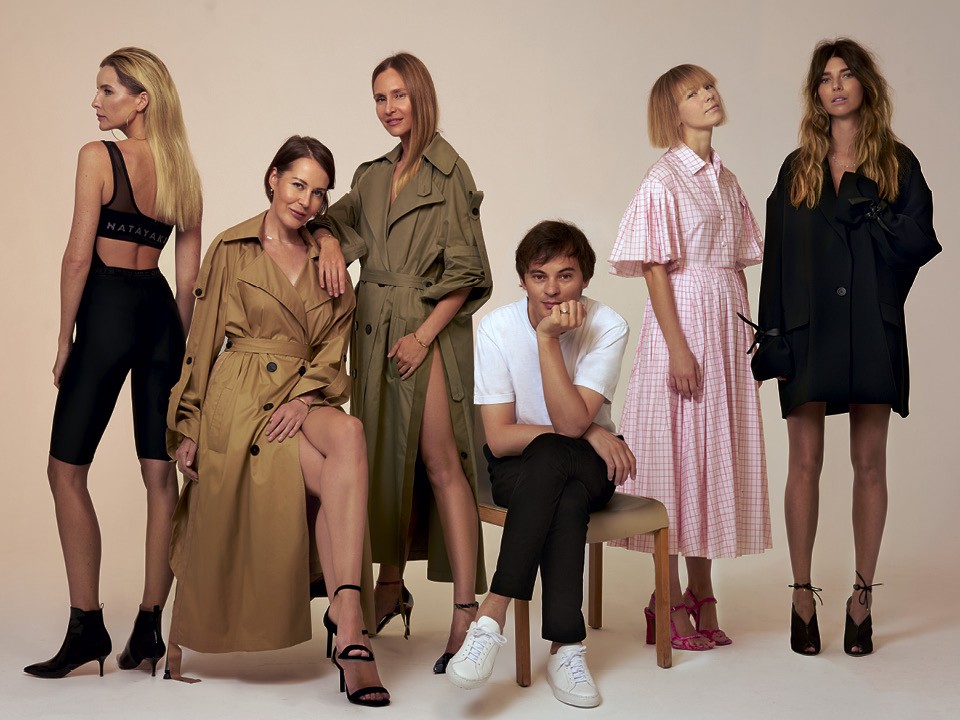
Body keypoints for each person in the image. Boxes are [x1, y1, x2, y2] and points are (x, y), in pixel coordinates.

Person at [165, 136, 388, 706]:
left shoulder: (327, 260)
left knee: (350, 432)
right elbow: (202, 339)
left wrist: (303, 398)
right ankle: (351, 632)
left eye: (319, 193)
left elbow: (334, 344)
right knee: (333, 471)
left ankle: (346, 613)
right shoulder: (231, 247)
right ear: (273, 178)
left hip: (303, 391)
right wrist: (188, 421)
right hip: (241, 399)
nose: (306, 202)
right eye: (297, 185)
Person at [757, 39, 940, 656]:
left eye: (846, 75)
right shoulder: (797, 168)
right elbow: (778, 257)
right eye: (825, 78)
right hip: (807, 330)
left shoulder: (897, 163)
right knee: (804, 462)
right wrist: (773, 335)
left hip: (869, 328)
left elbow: (919, 242)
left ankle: (862, 598)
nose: (836, 86)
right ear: (816, 93)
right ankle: (801, 595)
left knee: (869, 462)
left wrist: (876, 213)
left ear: (866, 85)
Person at [25, 47, 202, 679]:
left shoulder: (98, 157)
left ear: (141, 98)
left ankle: (86, 629)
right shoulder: (183, 171)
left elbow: (78, 255)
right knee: (161, 477)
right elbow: (189, 282)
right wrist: (177, 356)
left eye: (107, 90)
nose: (96, 102)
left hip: (104, 313)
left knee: (65, 470)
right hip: (159, 317)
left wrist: (66, 339)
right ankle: (150, 629)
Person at [312, 52, 492, 671]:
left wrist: (423, 336)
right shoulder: (371, 175)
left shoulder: (449, 171)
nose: (389, 108)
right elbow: (324, 221)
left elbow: (467, 272)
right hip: (372, 330)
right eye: (379, 98)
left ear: (421, 96)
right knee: (385, 459)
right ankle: (389, 586)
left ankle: (466, 611)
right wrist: (329, 239)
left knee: (441, 463)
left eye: (398, 96)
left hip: (424, 327)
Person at [608, 64, 771, 652]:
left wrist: (749, 331)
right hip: (682, 323)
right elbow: (655, 268)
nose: (709, 96)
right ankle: (667, 596)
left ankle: (704, 591)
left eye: (710, 87)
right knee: (678, 457)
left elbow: (737, 263)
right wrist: (678, 347)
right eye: (694, 93)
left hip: (724, 326)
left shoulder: (726, 180)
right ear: (672, 112)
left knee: (711, 453)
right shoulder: (664, 178)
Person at [446, 221, 633, 708]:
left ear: (585, 279)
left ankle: (491, 615)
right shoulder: (497, 328)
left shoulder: (608, 325)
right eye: (539, 276)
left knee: (556, 459)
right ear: (522, 280)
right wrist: (590, 430)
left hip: (594, 466)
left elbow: (569, 422)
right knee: (560, 487)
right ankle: (567, 648)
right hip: (520, 464)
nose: (552, 290)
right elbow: (500, 437)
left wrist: (548, 340)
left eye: (565, 276)